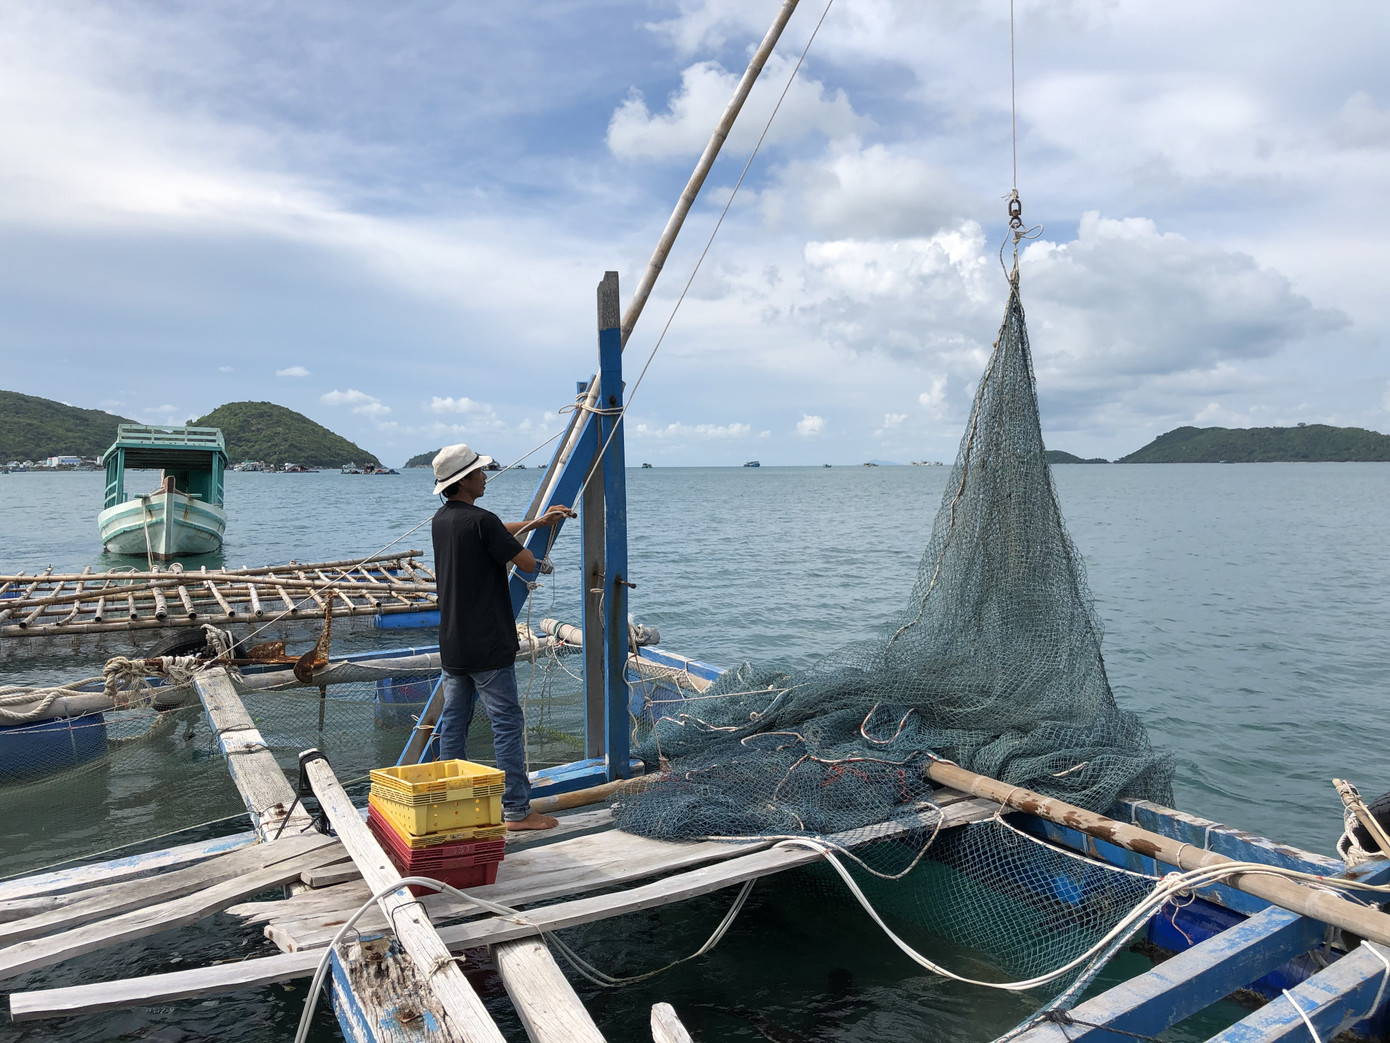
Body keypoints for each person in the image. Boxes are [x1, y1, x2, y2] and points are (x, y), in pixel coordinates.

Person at [430, 443, 572, 831]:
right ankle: (516, 811)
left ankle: (448, 807)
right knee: (506, 724)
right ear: (465, 481)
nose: (485, 477)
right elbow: (525, 561)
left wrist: (535, 523)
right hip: (488, 645)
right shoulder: (483, 521)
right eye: (480, 473)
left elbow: (491, 534)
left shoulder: (442, 520)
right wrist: (536, 554)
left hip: (453, 644)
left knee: (454, 725)